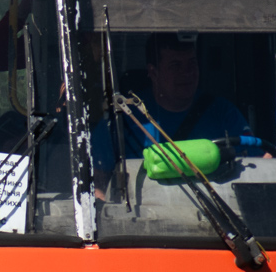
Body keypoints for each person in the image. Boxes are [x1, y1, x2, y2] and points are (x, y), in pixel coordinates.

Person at [92, 32, 253, 185]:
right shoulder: (122, 121)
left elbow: (254, 164)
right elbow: (97, 187)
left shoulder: (223, 114)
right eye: (176, 66)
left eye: (192, 63)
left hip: (216, 211)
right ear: (153, 73)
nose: (187, 73)